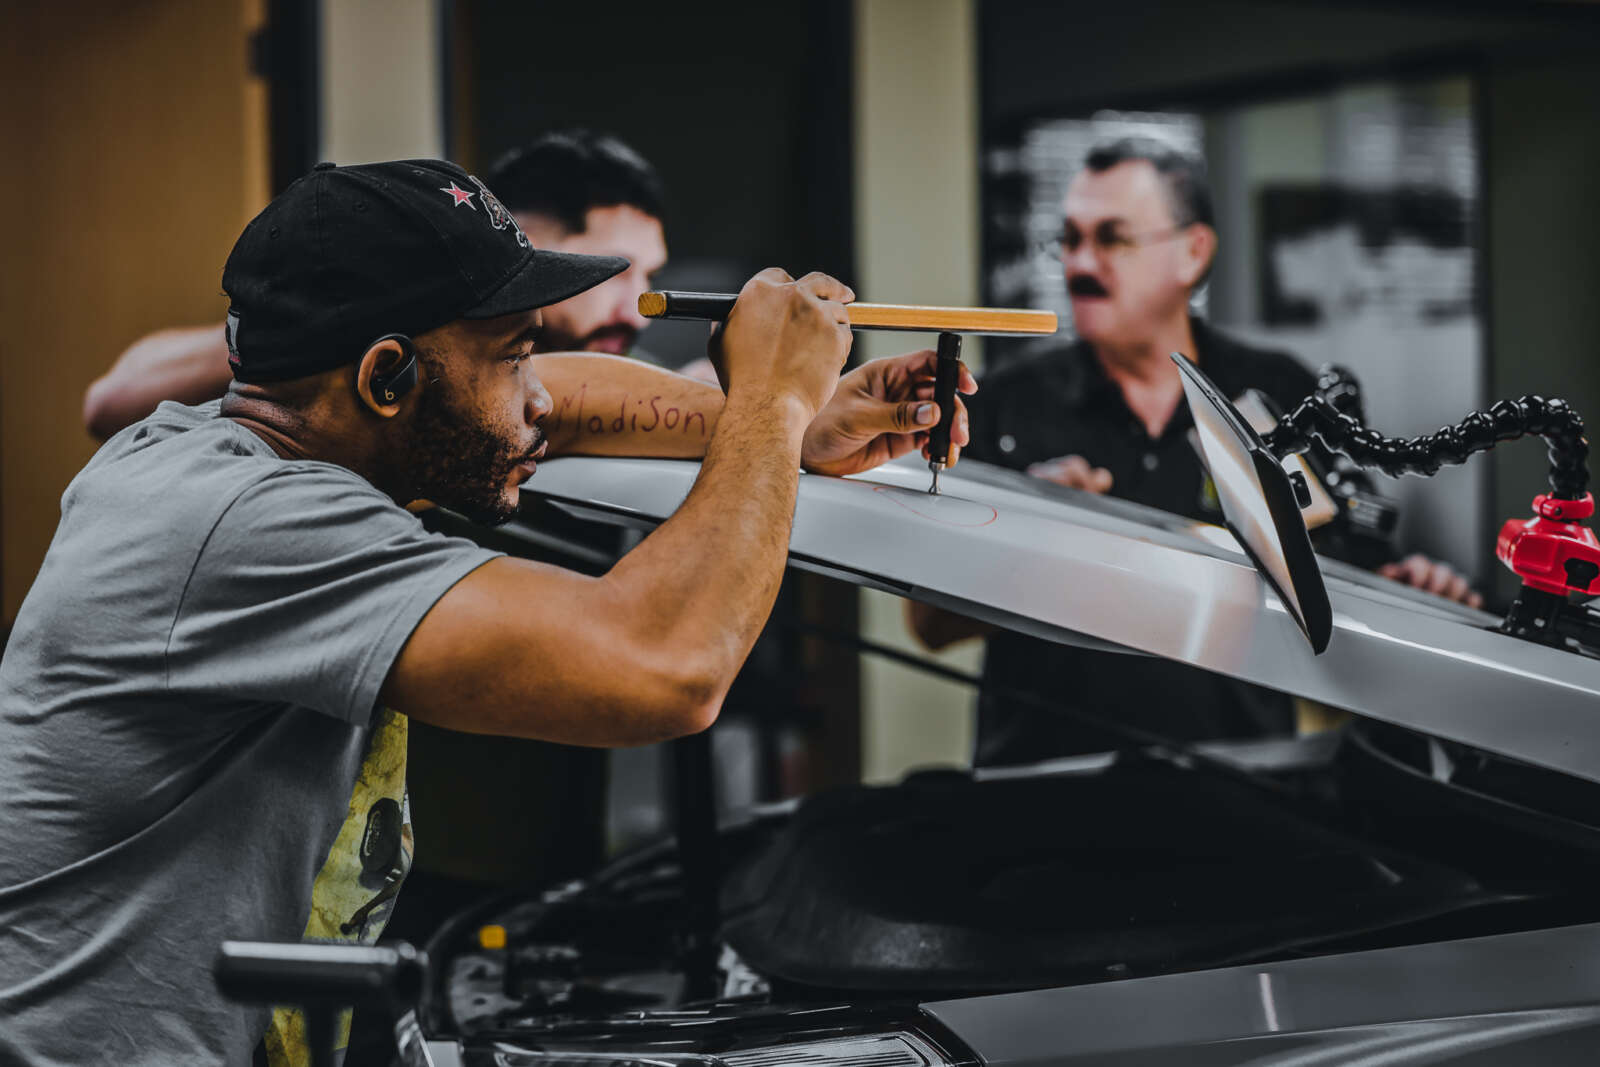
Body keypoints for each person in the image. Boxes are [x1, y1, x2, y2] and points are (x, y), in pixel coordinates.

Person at [0, 158, 972, 1065]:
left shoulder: (212, 448)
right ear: (387, 377)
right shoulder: (253, 526)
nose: (541, 398)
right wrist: (769, 405)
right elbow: (665, 663)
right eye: (516, 357)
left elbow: (566, 399)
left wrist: (800, 419)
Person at [909, 137, 1476, 766]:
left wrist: (1422, 602)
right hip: (1045, 782)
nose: (1080, 263)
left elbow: (1351, 583)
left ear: (1193, 252)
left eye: (1112, 238)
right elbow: (930, 627)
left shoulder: (1281, 391)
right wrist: (1032, 543)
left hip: (1244, 780)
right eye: (1069, 239)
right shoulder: (1000, 400)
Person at [80, 131, 690, 442]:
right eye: (617, 270)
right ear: (523, 238)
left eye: (649, 275)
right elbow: (111, 403)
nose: (636, 308)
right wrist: (316, 323)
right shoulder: (428, 370)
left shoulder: (616, 355)